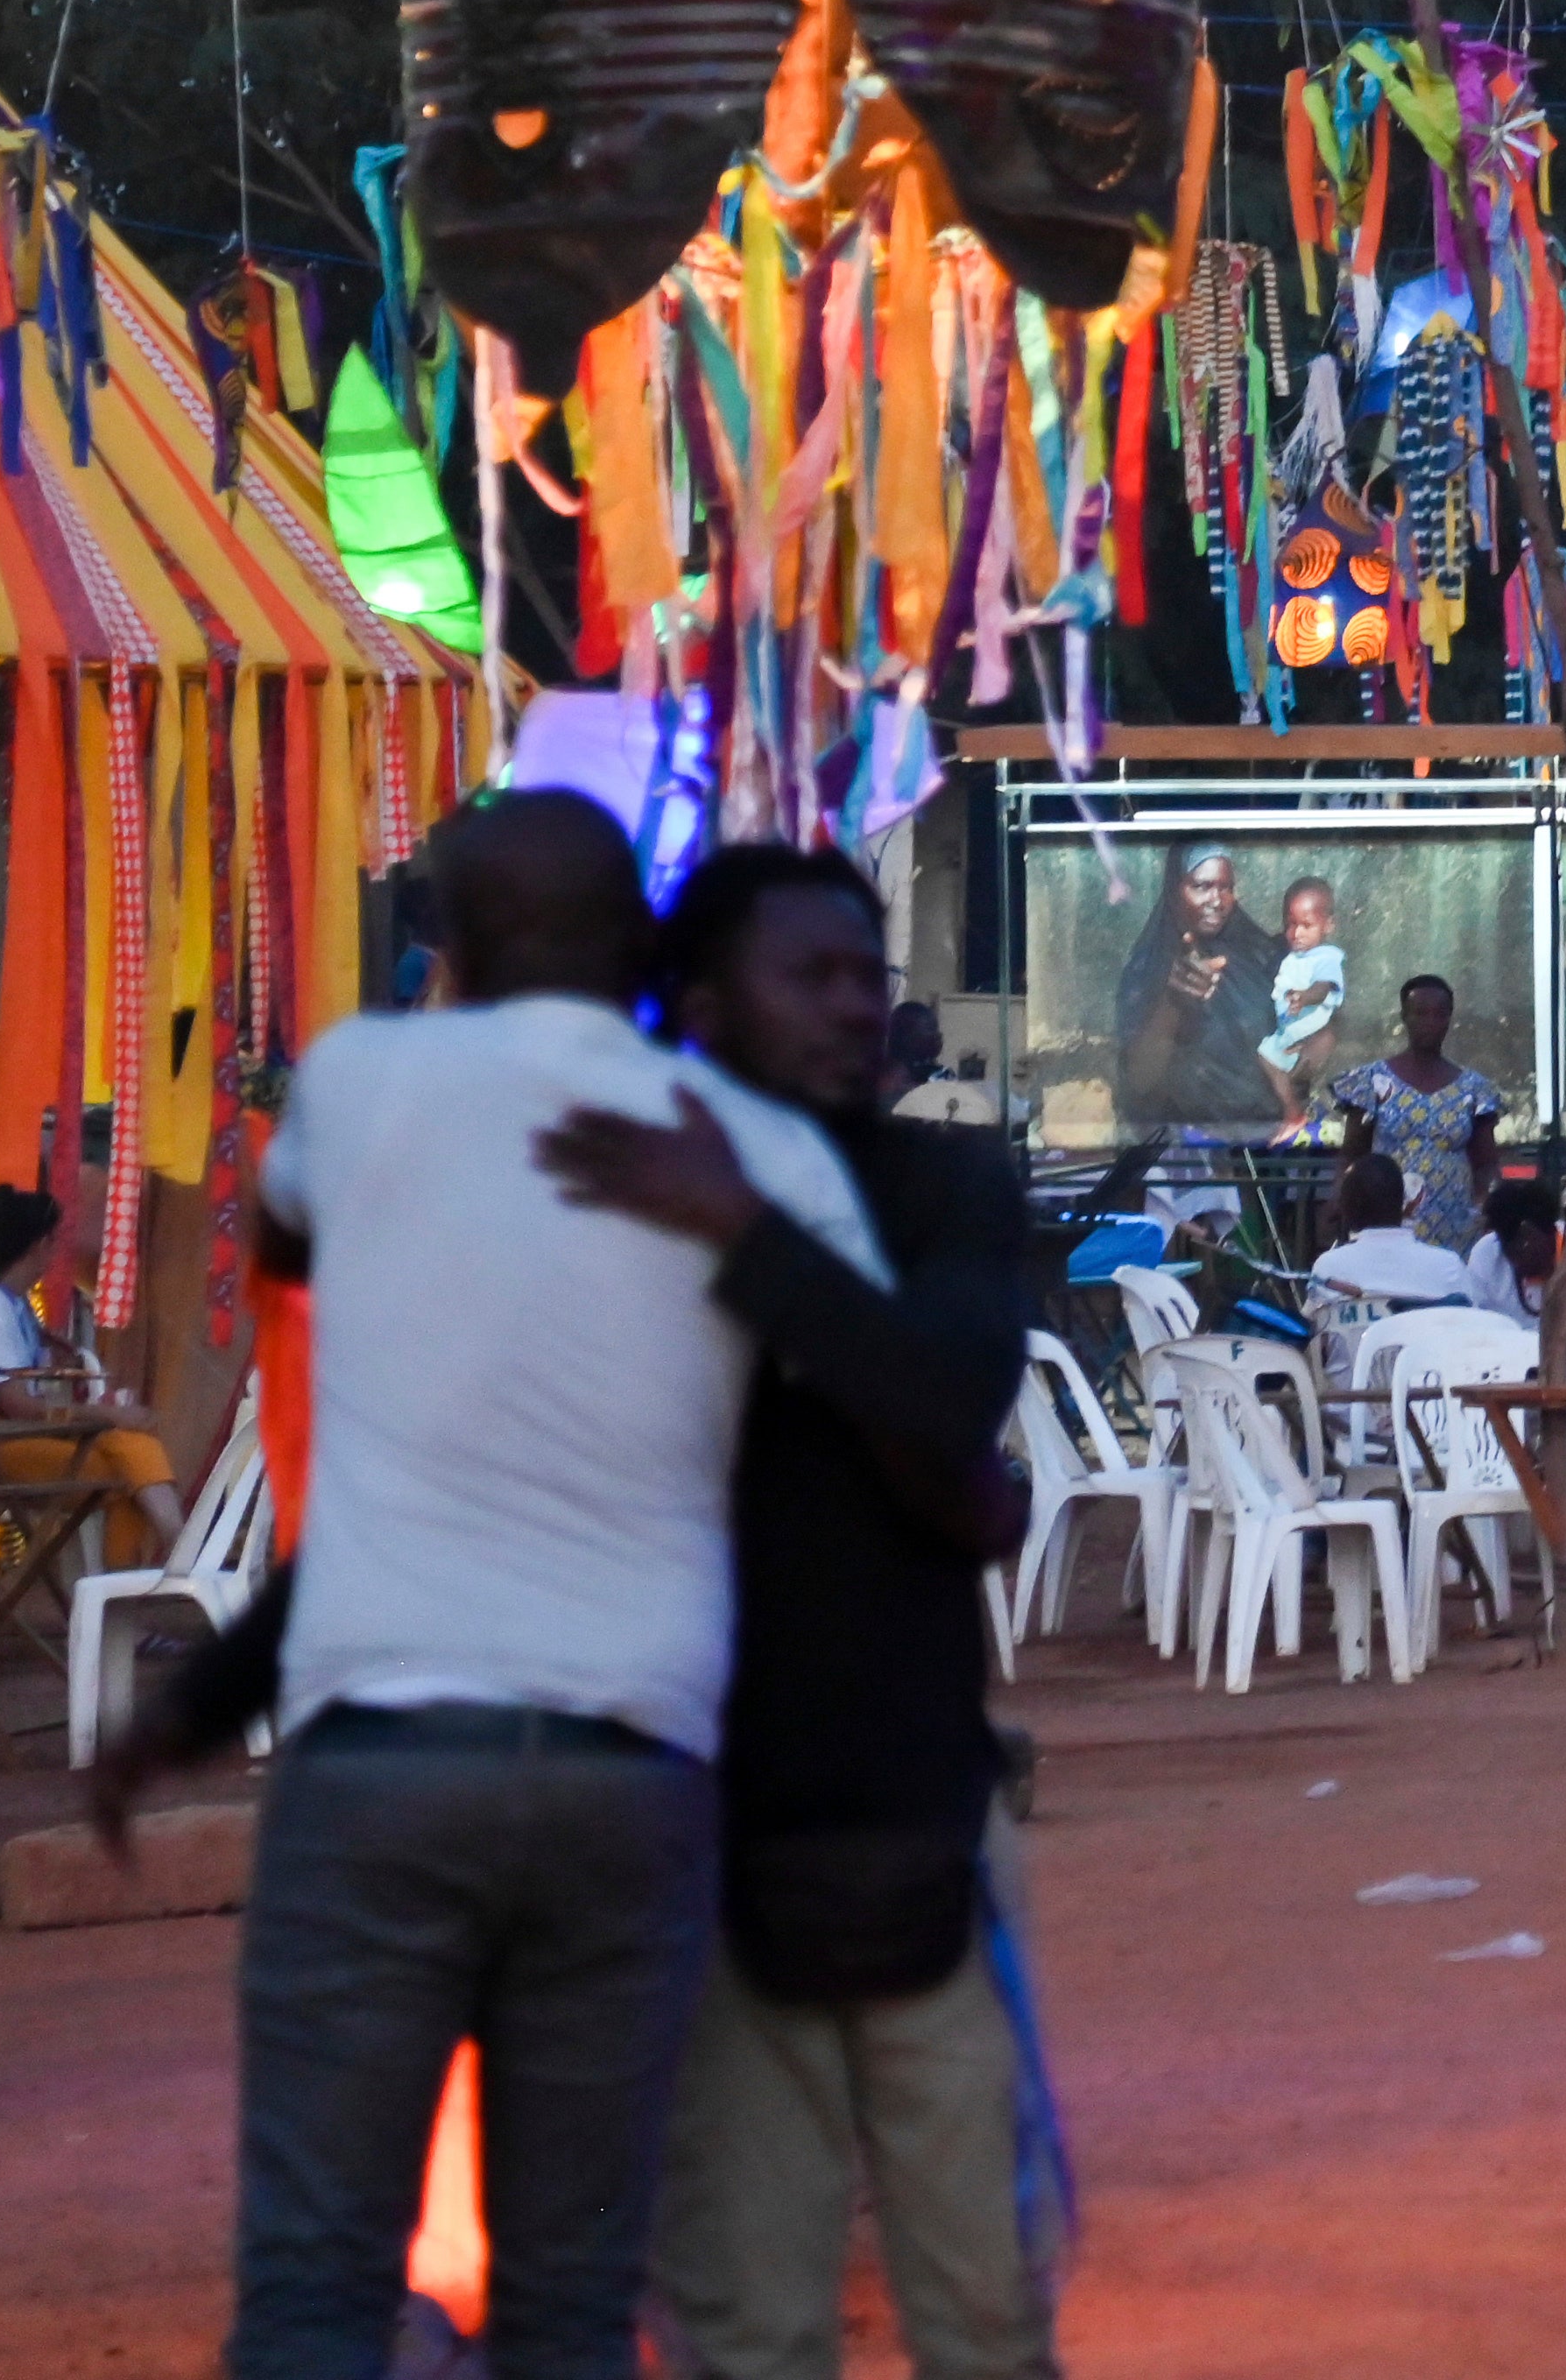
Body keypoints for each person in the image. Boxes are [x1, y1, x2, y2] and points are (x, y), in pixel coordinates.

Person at [220, 789, 885, 2380]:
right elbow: (880, 1397)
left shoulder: (356, 1080)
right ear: (644, 943)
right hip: (629, 1751)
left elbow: (284, 1241)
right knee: (576, 2297)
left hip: (380, 1749)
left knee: (315, 2286)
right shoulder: (749, 1147)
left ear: (440, 940)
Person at [534, 846, 1055, 2380]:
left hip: (921, 1814)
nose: (850, 1008)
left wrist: (741, 1234)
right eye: (806, 976)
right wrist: (931, 1466)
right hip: (703, 1831)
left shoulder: (944, 1183)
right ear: (700, 1007)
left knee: (986, 2313)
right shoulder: (612, 1215)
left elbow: (951, 1393)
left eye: (862, 975)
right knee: (754, 2325)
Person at [0, 1181, 180, 1562]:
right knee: (119, 1473)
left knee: (128, 1451)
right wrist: (107, 1414)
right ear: (38, 1246)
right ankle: (142, 1567)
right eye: (53, 1242)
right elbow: (19, 1406)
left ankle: (162, 1549)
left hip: (12, 1438)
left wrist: (74, 1374)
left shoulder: (16, 1307)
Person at [1316, 975, 1513, 1250]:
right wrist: (1339, 1199)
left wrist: (1490, 1208)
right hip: (1386, 1228)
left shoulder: (1473, 1089)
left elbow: (1486, 1163)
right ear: (1405, 1017)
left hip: (1455, 1232)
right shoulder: (1373, 1082)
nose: (1430, 1022)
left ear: (1449, 1019)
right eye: (1420, 1013)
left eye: (1439, 1014)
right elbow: (1353, 1153)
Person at [1112, 848, 1285, 1130]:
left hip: (1262, 1136)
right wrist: (1173, 1004)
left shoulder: (1257, 955)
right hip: (1186, 1140)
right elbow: (1138, 1082)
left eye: (1226, 888)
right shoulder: (1149, 968)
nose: (1217, 901)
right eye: (1202, 886)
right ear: (1174, 891)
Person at [1457, 1174, 1566, 1350]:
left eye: (1514, 1250)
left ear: (1528, 1235)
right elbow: (1478, 1325)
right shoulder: (1486, 1253)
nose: (1512, 1259)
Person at [1304, 1150, 1468, 1305]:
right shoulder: (1449, 1266)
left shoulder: (1329, 1268)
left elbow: (1315, 1321)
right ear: (1403, 1203)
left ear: (1347, 1208)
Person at [1258, 877, 1348, 1115]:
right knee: (1266, 1058)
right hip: (1289, 1030)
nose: (1296, 933)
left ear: (1328, 925)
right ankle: (1292, 1108)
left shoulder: (1326, 957)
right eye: (1290, 924)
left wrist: (1305, 997)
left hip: (1310, 1029)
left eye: (1306, 925)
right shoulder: (1291, 956)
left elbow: (1323, 987)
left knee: (1299, 1064)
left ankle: (1296, 1107)